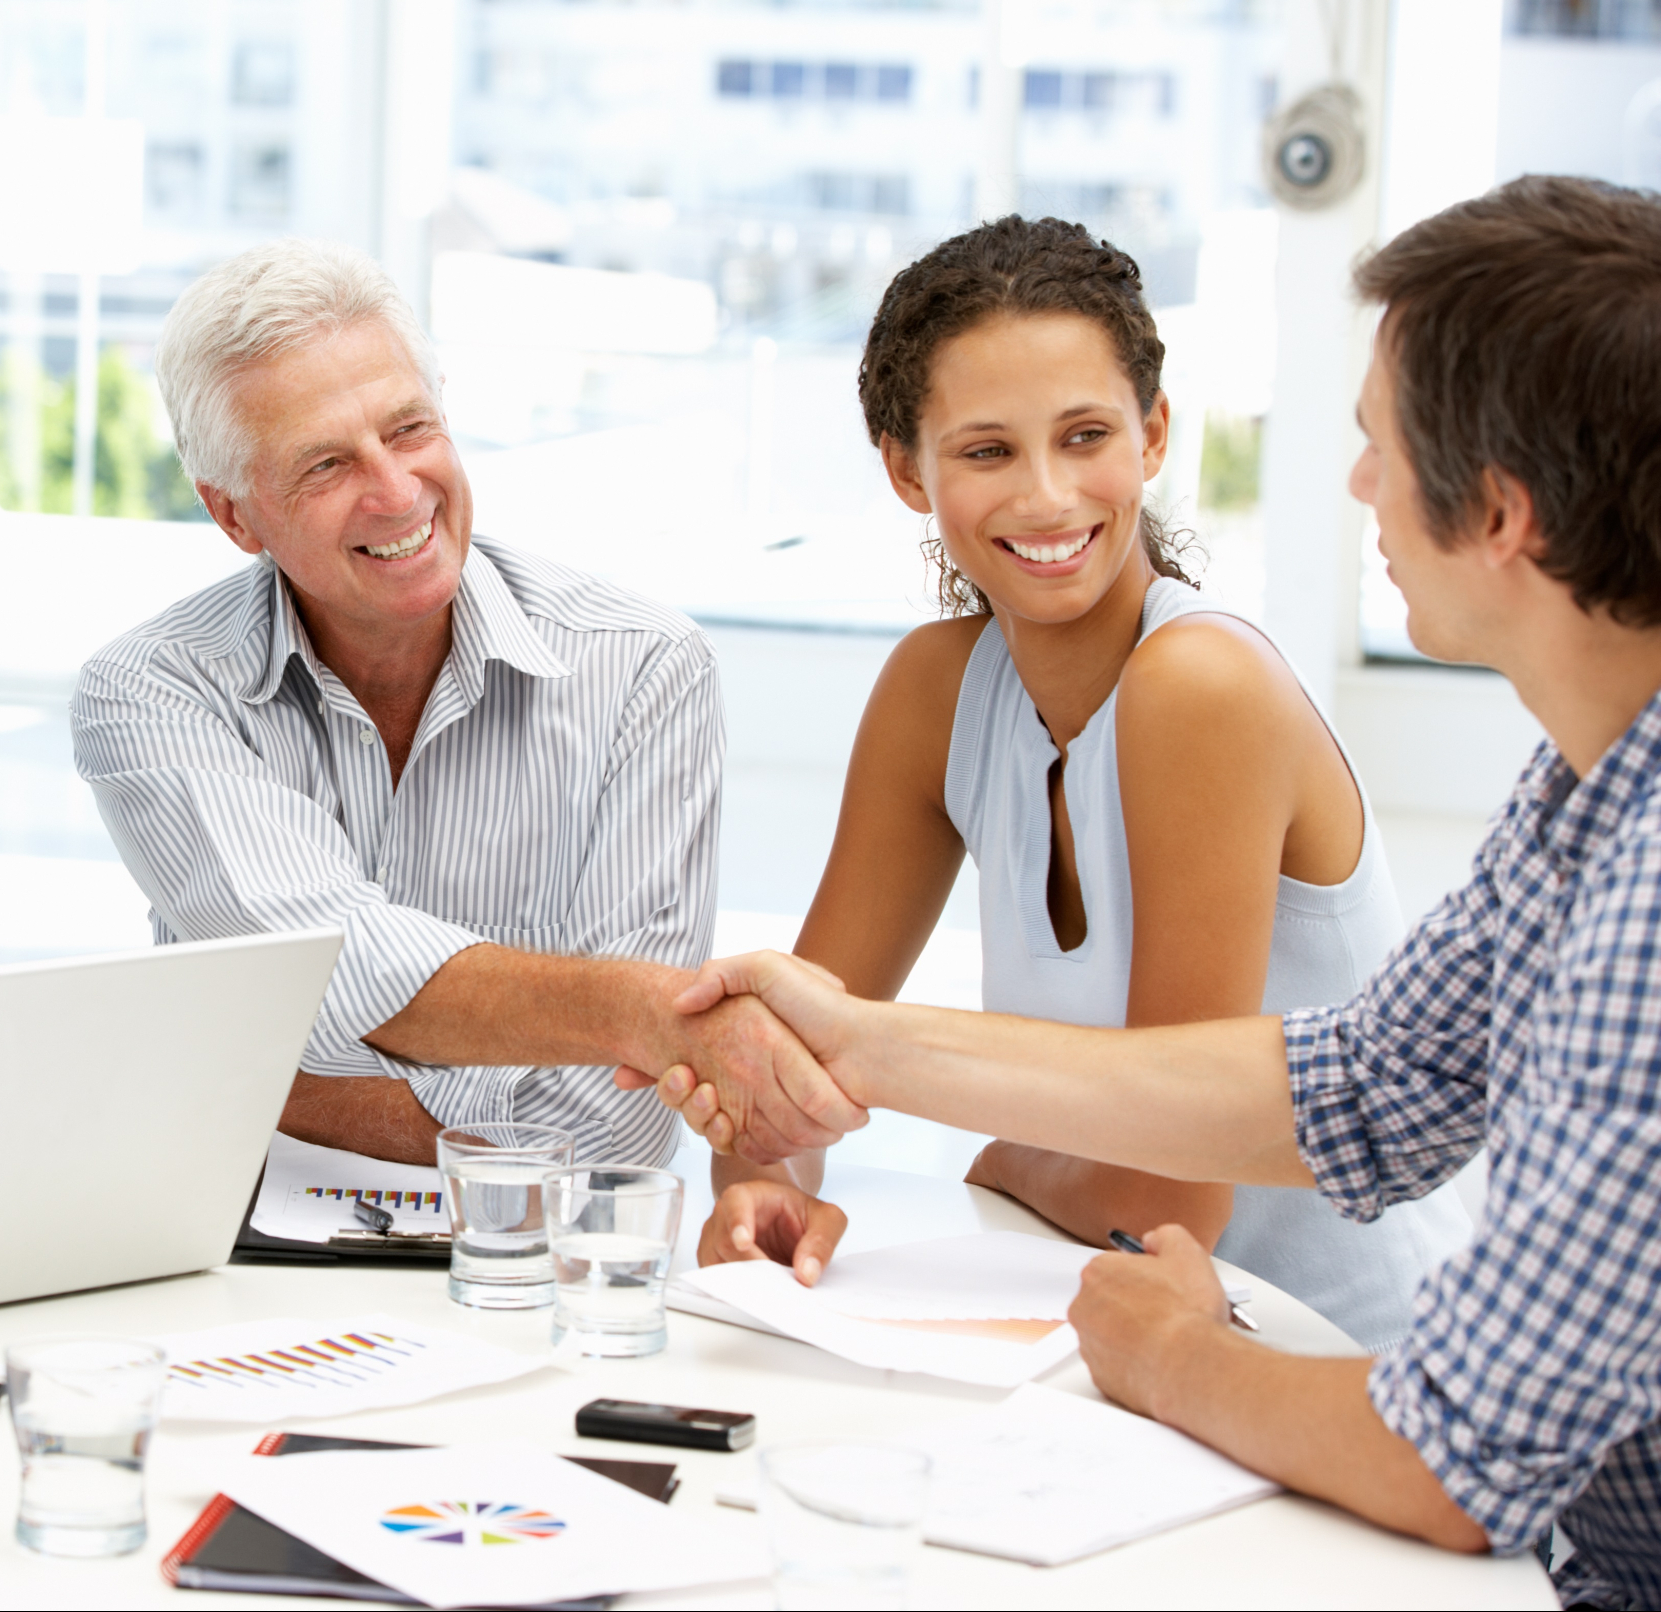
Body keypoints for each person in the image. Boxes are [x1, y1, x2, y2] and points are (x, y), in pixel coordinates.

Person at [650, 177, 1661, 1601]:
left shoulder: (1639, 904)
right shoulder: (1578, 802)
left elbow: (1446, 1451)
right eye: (989, 447)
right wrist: (838, 1074)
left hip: (1407, 1439)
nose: (1357, 483)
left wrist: (1160, 1330)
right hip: (1371, 1433)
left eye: (1381, 444)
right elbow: (1358, 1088)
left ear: (1496, 509)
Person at [690, 216, 1465, 1343]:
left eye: (1085, 434)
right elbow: (788, 1054)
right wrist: (760, 1184)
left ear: (1153, 436)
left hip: (1335, 1360)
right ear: (906, 468)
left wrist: (1009, 1156)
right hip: (1116, 1333)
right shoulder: (937, 690)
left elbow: (1166, 1199)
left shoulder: (1200, 684)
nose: (1047, 497)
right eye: (986, 450)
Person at [71, 237, 849, 1203]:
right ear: (236, 517)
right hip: (223, 1246)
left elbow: (620, 1124)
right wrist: (633, 1016)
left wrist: (267, 1084)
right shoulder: (151, 691)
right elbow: (326, 961)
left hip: (534, 1261)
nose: (396, 491)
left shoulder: (645, 668)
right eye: (324, 465)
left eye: (409, 430)